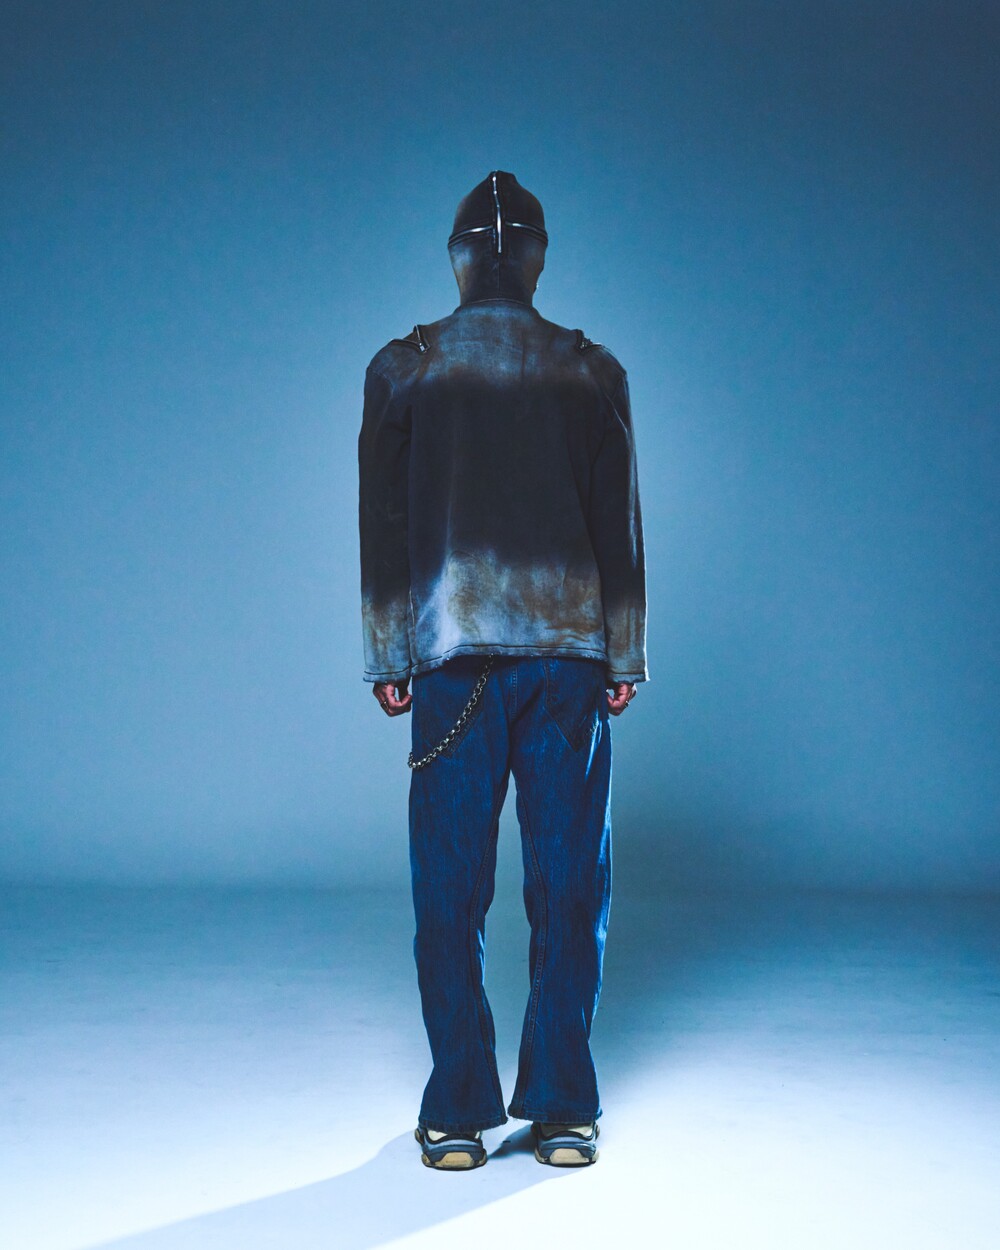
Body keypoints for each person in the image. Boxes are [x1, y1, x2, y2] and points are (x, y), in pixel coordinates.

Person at [358, 170, 647, 1170]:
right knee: (567, 889)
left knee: (450, 892)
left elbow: (383, 527)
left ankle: (456, 1113)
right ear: (536, 258)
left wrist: (388, 653)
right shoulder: (590, 370)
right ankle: (562, 1109)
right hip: (568, 659)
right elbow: (618, 526)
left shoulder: (405, 368)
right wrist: (624, 652)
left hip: (451, 661)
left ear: (458, 259)